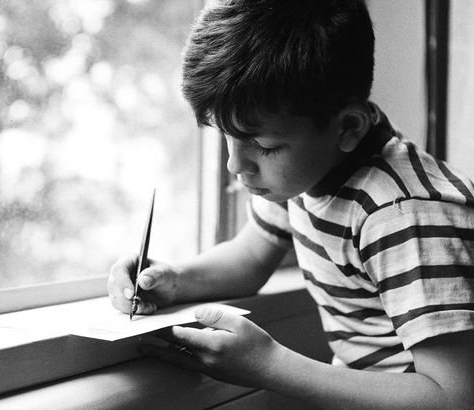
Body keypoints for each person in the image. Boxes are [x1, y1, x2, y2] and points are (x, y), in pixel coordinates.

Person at [108, 0, 474, 408]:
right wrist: (171, 280)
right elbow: (248, 258)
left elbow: (454, 397)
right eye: (226, 137)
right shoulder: (311, 169)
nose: (234, 164)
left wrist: (268, 366)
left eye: (264, 146)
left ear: (348, 127)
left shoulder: (402, 215)